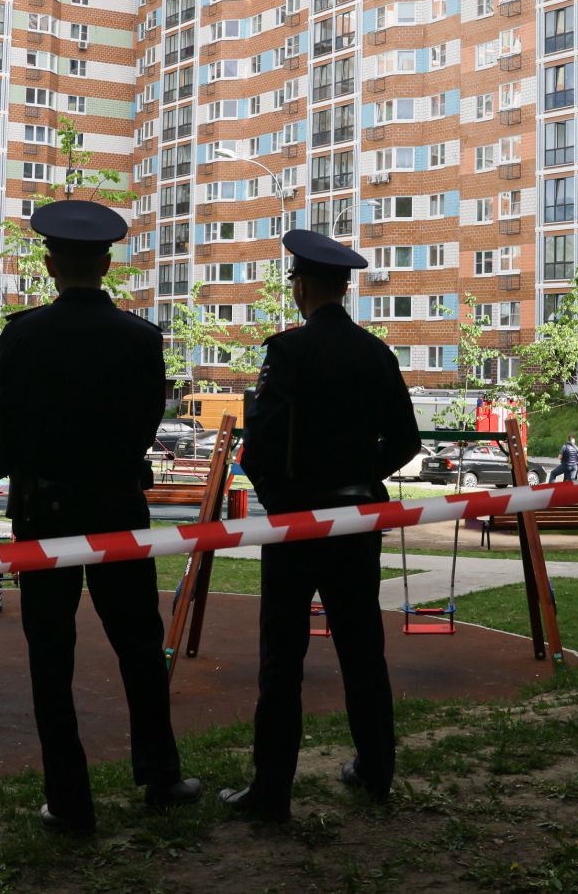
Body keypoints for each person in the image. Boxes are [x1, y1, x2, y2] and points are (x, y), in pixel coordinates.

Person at [0, 199, 199, 835]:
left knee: (51, 656)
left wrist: (15, 464)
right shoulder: (141, 338)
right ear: (106, 265)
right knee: (138, 646)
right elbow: (146, 423)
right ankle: (160, 775)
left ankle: (70, 801)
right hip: (117, 506)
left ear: (50, 267)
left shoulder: (23, 335)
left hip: (44, 511)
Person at [221, 230, 421, 823]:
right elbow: (406, 441)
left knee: (282, 659)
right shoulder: (377, 354)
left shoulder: (288, 352)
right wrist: (358, 475)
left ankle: (271, 792)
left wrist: (282, 500)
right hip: (357, 520)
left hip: (296, 525)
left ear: (302, 287)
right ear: (346, 288)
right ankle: (377, 771)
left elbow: (259, 445)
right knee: (363, 650)